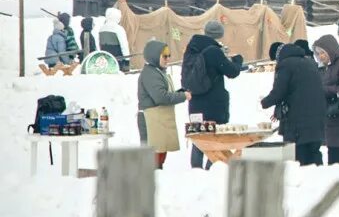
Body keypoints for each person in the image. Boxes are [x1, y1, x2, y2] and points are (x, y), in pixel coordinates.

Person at [182, 19, 246, 169]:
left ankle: (196, 171)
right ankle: (211, 170)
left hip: (195, 104)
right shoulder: (214, 51)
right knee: (214, 140)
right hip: (212, 105)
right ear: (219, 35)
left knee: (199, 139)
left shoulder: (191, 49)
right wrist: (237, 60)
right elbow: (232, 71)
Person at [261, 40, 328, 167]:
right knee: (314, 154)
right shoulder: (309, 62)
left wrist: (263, 102)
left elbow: (279, 92)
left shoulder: (285, 65)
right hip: (317, 118)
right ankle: (319, 182)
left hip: (298, 121)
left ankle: (301, 185)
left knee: (298, 158)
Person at [136, 40, 189, 167]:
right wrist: (182, 96)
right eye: (164, 56)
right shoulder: (150, 73)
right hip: (151, 120)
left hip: (158, 120)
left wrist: (179, 93)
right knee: (153, 157)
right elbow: (160, 97)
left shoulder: (157, 71)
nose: (168, 59)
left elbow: (163, 93)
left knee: (159, 155)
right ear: (154, 56)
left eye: (169, 55)